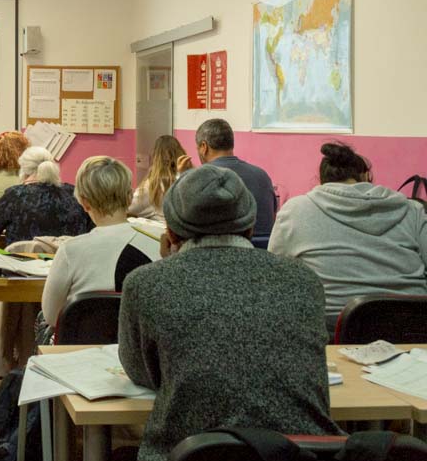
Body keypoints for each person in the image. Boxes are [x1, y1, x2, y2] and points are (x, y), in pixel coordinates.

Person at [118, 165, 340, 461]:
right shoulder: (304, 280)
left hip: (194, 458)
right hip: (301, 459)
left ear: (170, 232)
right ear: (250, 226)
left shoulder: (146, 284)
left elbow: (141, 372)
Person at [269, 142, 427, 330]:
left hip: (333, 331)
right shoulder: (413, 209)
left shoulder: (295, 210)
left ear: (321, 180)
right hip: (412, 326)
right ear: (366, 176)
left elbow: (275, 276)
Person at [41, 156, 161, 331]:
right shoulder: (158, 241)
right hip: (145, 352)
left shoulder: (70, 250)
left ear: (84, 202)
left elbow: (51, 316)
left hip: (81, 351)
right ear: (129, 197)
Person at [182, 118, 277, 248]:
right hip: (263, 256)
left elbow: (185, 225)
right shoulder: (262, 176)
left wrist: (184, 178)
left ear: (204, 147)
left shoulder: (200, 179)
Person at [0, 146, 92, 243]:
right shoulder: (75, 193)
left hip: (22, 267)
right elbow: (91, 231)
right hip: (67, 268)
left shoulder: (15, 195)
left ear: (23, 170)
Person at [127, 135, 186, 222]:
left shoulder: (152, 186)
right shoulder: (190, 177)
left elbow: (129, 208)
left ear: (155, 156)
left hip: (161, 232)